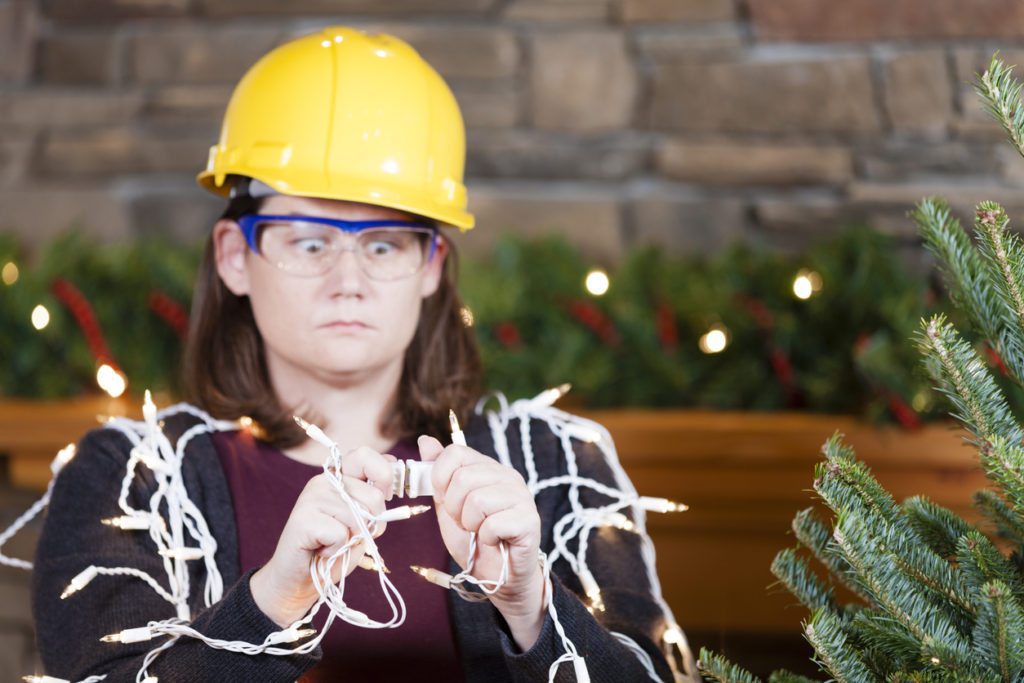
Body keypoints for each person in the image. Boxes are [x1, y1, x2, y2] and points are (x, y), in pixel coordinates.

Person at [29, 26, 695, 683]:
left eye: (383, 243)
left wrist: (533, 609)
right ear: (235, 256)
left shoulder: (553, 464)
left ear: (431, 265)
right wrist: (269, 605)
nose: (348, 278)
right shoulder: (133, 478)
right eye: (308, 240)